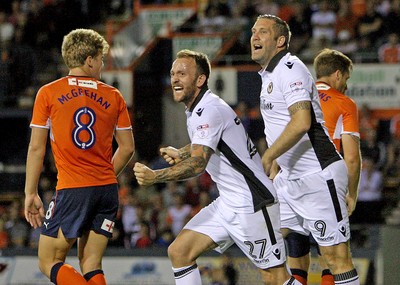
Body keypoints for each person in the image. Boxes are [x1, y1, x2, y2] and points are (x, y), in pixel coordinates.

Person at [134, 49, 301, 285]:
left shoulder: (208, 110)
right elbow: (212, 141)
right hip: (228, 203)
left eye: (182, 73)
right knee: (180, 252)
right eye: (173, 73)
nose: (175, 79)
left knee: (275, 278)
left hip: (252, 203)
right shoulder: (200, 109)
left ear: (200, 79)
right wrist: (181, 152)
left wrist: (155, 176)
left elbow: (199, 164)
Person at [251, 14, 360, 285]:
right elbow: (281, 127)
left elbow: (301, 122)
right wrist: (277, 163)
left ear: (280, 41)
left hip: (318, 175)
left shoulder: (290, 67)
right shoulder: (269, 75)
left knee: (336, 259)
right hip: (289, 177)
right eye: (253, 31)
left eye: (262, 32)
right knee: (269, 254)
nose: (254, 36)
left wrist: (269, 154)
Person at [24, 28, 135, 285]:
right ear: (89, 60)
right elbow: (127, 148)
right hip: (107, 190)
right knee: (91, 263)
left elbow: (36, 148)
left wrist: (31, 193)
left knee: (48, 261)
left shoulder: (48, 93)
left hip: (74, 189)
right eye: (101, 59)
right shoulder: (114, 95)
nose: (103, 64)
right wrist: (104, 175)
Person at [284, 48, 362, 285]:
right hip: (323, 184)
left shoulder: (296, 98)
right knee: (334, 258)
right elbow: (352, 158)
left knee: (295, 261)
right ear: (337, 75)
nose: (346, 85)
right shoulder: (344, 104)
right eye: (346, 79)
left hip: (290, 183)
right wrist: (352, 193)